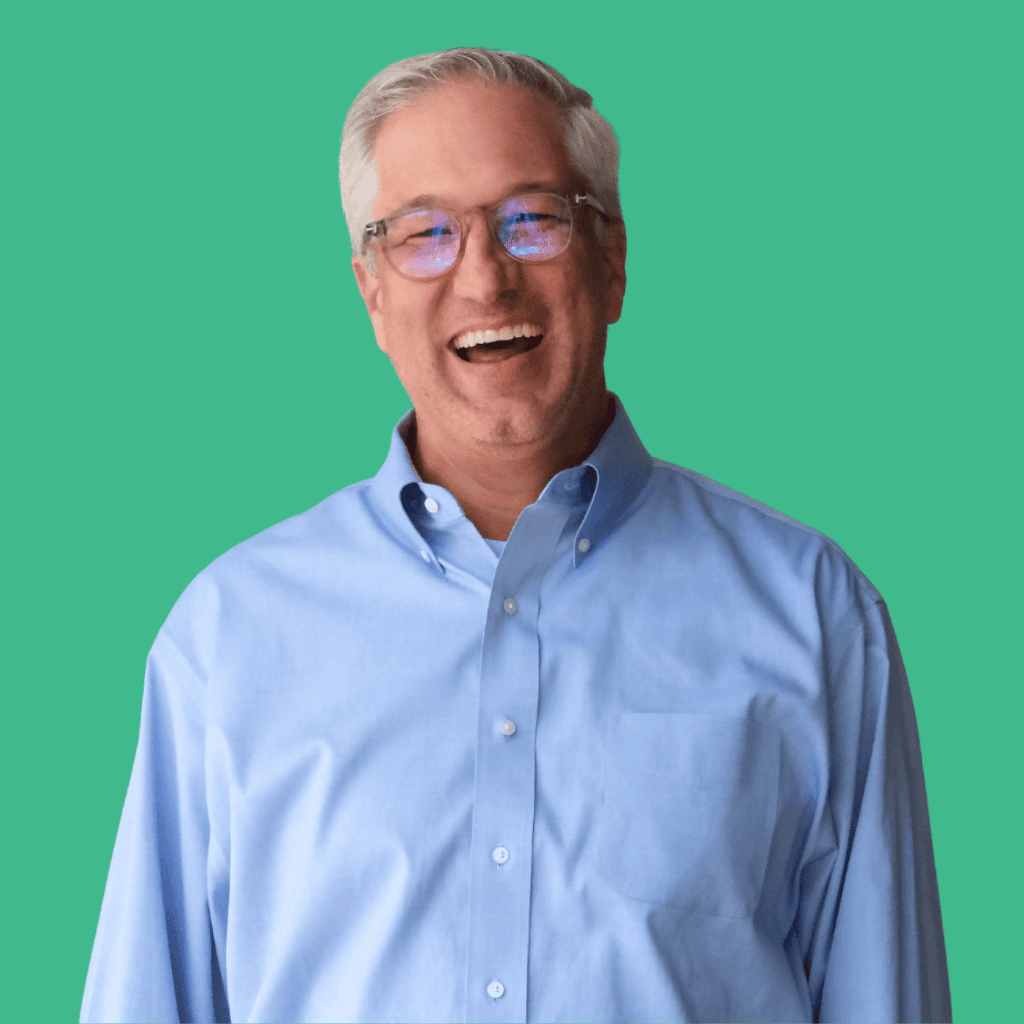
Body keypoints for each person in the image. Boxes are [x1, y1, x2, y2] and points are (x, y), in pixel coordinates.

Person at [81, 47, 952, 1024]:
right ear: (371, 291)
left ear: (612, 257)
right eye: (425, 234)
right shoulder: (227, 640)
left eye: (529, 220)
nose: (485, 278)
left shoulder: (813, 613)